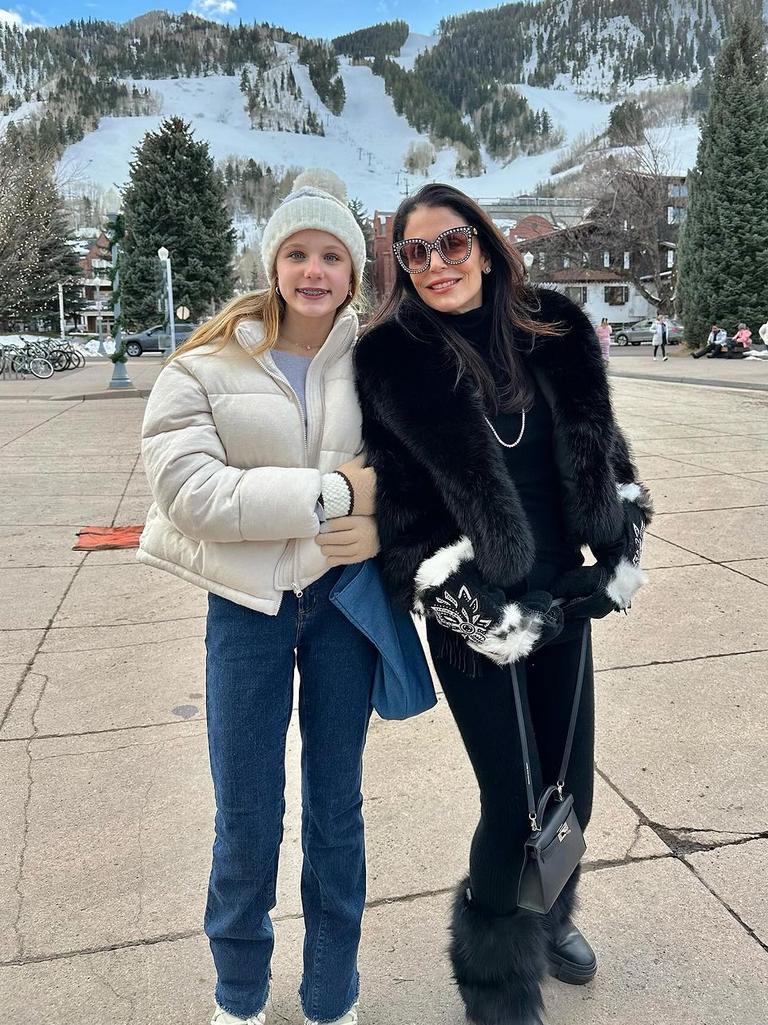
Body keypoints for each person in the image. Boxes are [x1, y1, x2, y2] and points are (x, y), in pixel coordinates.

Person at [354, 183, 652, 1025]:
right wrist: (487, 617)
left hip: (566, 596)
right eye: (416, 253)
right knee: (513, 799)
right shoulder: (391, 365)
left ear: (483, 244)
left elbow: (610, 461)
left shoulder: (555, 330)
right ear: (402, 270)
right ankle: (496, 980)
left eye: (451, 243)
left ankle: (547, 916)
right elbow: (402, 532)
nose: (437, 264)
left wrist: (618, 558)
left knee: (572, 796)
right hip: (474, 618)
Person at [138, 169, 380, 1025]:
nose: (314, 270)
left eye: (331, 255)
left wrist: (381, 522)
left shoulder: (380, 363)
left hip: (345, 607)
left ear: (353, 271)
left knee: (336, 814)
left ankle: (330, 996)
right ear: (272, 262)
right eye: (297, 252)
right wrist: (332, 496)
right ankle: (239, 995)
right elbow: (188, 490)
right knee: (246, 814)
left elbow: (416, 470)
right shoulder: (203, 363)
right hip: (245, 610)